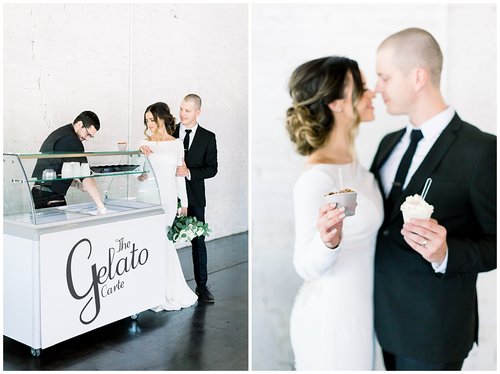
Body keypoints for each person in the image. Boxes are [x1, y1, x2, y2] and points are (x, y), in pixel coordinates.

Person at [370, 28, 497, 370]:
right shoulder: (387, 143)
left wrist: (444, 254)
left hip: (434, 332)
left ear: (417, 77)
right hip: (380, 322)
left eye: (384, 77)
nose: (377, 88)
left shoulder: (482, 150)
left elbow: (494, 242)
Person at [286, 56, 383, 370]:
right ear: (336, 103)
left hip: (361, 315)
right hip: (330, 321)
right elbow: (304, 263)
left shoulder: (355, 165)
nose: (373, 93)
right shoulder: (317, 178)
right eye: (362, 88)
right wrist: (328, 242)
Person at [138, 102, 198, 311]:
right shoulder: (143, 143)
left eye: (152, 120)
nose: (149, 124)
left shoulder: (176, 143)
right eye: (146, 121)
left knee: (163, 240)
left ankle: (167, 291)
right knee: (151, 242)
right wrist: (140, 157)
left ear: (162, 119)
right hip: (147, 198)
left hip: (169, 199)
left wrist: (185, 202)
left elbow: (179, 174)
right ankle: (152, 290)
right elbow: (140, 176)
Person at [173, 94, 218, 303]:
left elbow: (212, 169)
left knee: (198, 241)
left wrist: (188, 171)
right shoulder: (170, 132)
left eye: (188, 110)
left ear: (198, 112)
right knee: (165, 238)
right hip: (171, 195)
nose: (183, 114)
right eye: (181, 109)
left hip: (196, 198)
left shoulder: (208, 137)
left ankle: (201, 286)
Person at [31, 111, 105, 212]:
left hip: (40, 193)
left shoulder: (63, 133)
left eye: (90, 136)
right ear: (80, 124)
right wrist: (101, 207)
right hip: (50, 197)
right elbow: (86, 177)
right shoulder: (72, 140)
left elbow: (56, 170)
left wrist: (76, 184)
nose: (87, 138)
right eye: (87, 134)